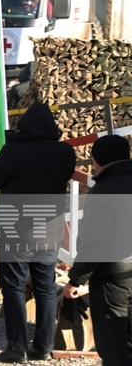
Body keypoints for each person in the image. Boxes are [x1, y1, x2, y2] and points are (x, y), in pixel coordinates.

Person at [0, 103, 76, 363]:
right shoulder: (64, 153)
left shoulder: (13, 150)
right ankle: (44, 347)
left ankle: (16, 348)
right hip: (50, 230)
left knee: (12, 285)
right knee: (46, 287)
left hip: (17, 230)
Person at [63, 135, 132, 366]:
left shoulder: (104, 190)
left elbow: (94, 242)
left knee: (114, 343)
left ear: (98, 160)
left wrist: (76, 280)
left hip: (113, 277)